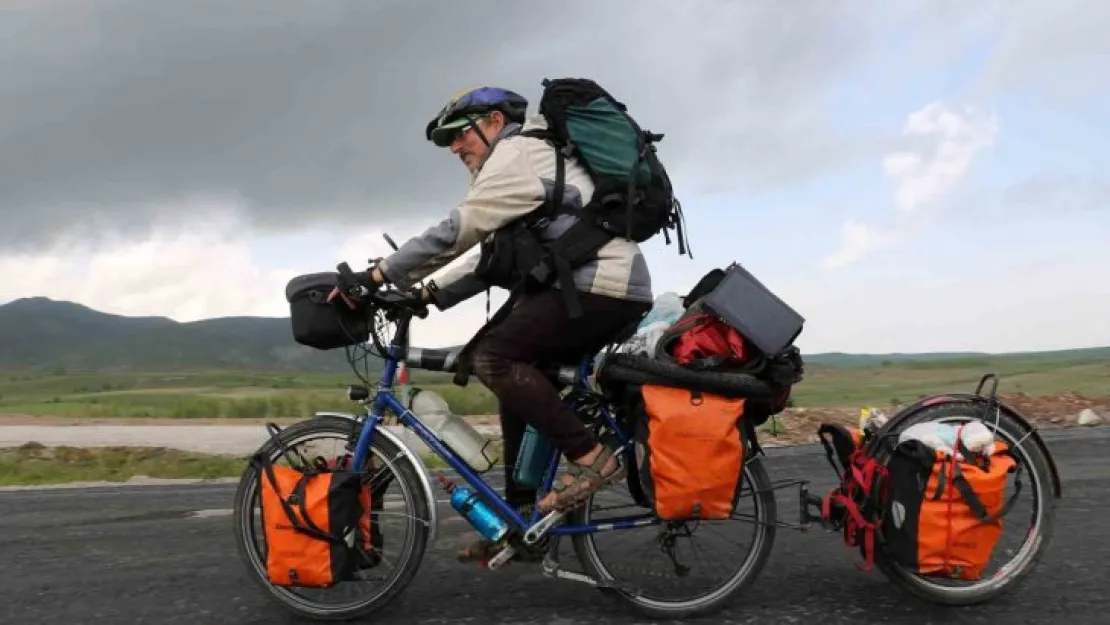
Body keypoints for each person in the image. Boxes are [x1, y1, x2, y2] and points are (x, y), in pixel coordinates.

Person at [329, 86, 654, 561]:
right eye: (450, 142)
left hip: (603, 287)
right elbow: (488, 258)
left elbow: (459, 230)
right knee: (518, 382)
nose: (456, 148)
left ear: (496, 122)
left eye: (460, 135)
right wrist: (423, 293)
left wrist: (377, 276)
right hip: (593, 289)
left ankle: (591, 459)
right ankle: (522, 521)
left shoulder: (518, 154)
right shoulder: (523, 165)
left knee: (492, 358)